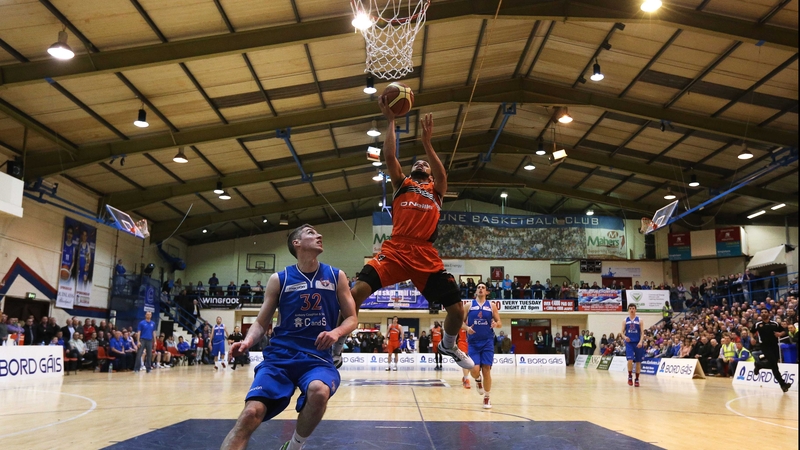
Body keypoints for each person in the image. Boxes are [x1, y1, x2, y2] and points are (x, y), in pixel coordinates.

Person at [331, 106, 473, 372]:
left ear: (430, 175)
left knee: (457, 311)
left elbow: (443, 176)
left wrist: (427, 144)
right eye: (418, 161)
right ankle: (336, 346)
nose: (421, 163)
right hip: (395, 249)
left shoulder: (436, 190)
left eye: (426, 164)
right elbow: (389, 155)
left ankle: (449, 345)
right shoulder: (402, 184)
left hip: (425, 255)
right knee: (354, 294)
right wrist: (392, 120)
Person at [221, 224, 357, 450]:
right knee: (250, 414)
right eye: (311, 233)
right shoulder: (280, 279)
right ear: (297, 243)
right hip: (280, 358)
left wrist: (336, 332)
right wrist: (247, 341)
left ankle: (294, 446)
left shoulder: (336, 276)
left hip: (317, 358)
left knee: (319, 391)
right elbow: (261, 322)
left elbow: (352, 318)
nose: (319, 235)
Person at [465, 283, 501, 409]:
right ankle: (478, 380)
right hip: (473, 343)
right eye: (478, 287)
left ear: (487, 292)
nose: (480, 289)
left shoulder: (491, 306)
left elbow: (499, 322)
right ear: (476, 291)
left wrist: (496, 324)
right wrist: (467, 328)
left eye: (483, 288)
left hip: (487, 342)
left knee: (487, 370)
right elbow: (460, 322)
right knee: (474, 370)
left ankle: (487, 397)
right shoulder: (469, 306)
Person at [752, 310, 793, 392]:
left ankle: (759, 365)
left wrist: (780, 334)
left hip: (774, 346)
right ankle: (783, 385)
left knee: (773, 364)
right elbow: (751, 332)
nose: (764, 313)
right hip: (765, 346)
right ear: (761, 314)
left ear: (769, 314)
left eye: (765, 312)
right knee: (774, 365)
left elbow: (784, 331)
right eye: (762, 312)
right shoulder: (758, 324)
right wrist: (752, 338)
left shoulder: (775, 324)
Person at [622, 304, 644, 387]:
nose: (632, 310)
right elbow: (622, 332)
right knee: (630, 360)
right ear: (628, 310)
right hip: (629, 343)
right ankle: (630, 376)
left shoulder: (640, 320)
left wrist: (641, 341)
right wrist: (625, 337)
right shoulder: (625, 320)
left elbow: (642, 333)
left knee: (638, 361)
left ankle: (637, 379)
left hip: (638, 343)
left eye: (633, 308)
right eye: (630, 308)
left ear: (635, 310)